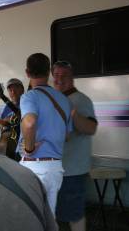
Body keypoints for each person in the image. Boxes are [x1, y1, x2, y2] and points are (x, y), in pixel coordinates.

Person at [17, 53, 72, 215]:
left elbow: (29, 123)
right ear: (48, 72)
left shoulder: (29, 96)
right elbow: (67, 136)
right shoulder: (64, 100)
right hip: (55, 168)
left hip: (34, 166)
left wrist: (28, 149)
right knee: (49, 217)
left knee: (30, 218)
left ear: (27, 73)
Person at [52, 61, 97, 231]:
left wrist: (72, 112)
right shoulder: (54, 99)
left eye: (64, 75)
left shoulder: (80, 100)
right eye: (56, 75)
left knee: (74, 216)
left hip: (72, 171)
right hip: (56, 169)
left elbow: (91, 128)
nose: (59, 79)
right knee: (55, 215)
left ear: (72, 77)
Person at [0, 78, 24, 160]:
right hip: (9, 147)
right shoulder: (7, 107)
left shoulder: (27, 103)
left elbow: (20, 115)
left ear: (22, 90)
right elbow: (5, 123)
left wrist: (3, 97)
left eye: (16, 89)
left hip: (22, 148)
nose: (13, 92)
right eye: (10, 90)